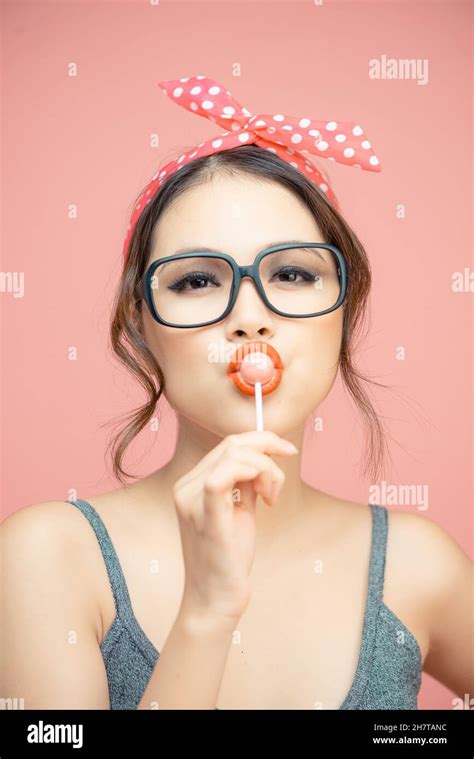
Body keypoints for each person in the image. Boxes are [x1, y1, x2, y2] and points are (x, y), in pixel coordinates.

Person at [2, 97, 472, 711]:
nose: (250, 319)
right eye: (197, 280)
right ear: (141, 327)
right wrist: (206, 611)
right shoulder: (48, 558)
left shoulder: (420, 565)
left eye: (294, 275)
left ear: (345, 313)